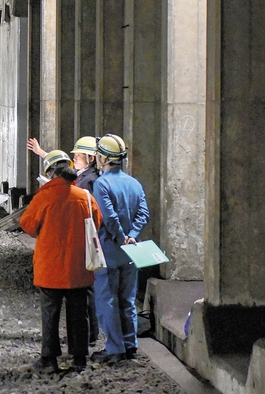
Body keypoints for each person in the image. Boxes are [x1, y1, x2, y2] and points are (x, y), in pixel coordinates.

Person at [19, 149, 102, 373]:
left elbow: (27, 224)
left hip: (50, 266)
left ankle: (49, 359)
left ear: (53, 175)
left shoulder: (45, 197)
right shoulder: (84, 196)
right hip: (79, 266)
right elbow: (97, 221)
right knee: (78, 313)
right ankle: (79, 359)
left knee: (50, 313)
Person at [90, 133, 149, 363]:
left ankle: (115, 349)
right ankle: (130, 345)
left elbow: (108, 216)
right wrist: (133, 236)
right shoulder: (134, 183)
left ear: (104, 158)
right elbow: (144, 213)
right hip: (132, 252)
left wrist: (122, 237)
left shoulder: (101, 183)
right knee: (128, 300)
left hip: (109, 250)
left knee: (107, 300)